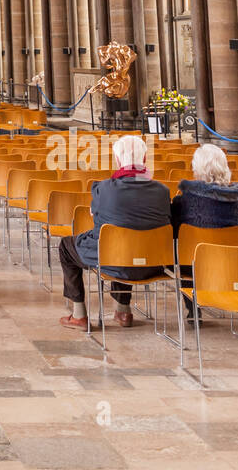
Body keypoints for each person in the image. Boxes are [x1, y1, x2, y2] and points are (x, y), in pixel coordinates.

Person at [58, 134, 171, 330]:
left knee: (67, 246)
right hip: (155, 262)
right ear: (144, 160)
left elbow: (96, 215)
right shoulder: (162, 190)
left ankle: (79, 315)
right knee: (128, 237)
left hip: (114, 260)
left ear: (118, 161)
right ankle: (123, 310)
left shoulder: (104, 188)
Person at [172, 144, 238, 322]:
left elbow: (173, 231)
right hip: (233, 263)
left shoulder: (184, 200)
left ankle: (193, 307)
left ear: (197, 169)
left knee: (183, 251)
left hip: (195, 265)